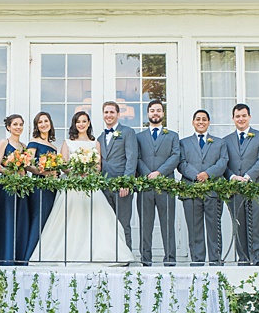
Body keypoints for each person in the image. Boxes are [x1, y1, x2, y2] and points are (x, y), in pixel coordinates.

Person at [30, 111, 132, 263]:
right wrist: (76, 171)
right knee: (70, 220)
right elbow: (63, 165)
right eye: (78, 122)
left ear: (89, 123)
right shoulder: (67, 142)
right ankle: (66, 254)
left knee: (95, 219)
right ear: (74, 124)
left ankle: (98, 253)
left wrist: (88, 171)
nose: (81, 124)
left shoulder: (95, 143)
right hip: (72, 186)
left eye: (84, 121)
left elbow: (98, 167)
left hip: (89, 185)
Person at [179, 109, 229, 265]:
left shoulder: (219, 142)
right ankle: (197, 262)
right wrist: (196, 176)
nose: (201, 122)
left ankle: (215, 261)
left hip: (213, 190)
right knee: (194, 229)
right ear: (193, 122)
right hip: (191, 190)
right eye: (198, 119)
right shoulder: (184, 143)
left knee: (214, 227)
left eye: (204, 119)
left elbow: (223, 162)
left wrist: (207, 174)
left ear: (208, 122)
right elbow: (181, 163)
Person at [223, 104, 259, 266]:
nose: (241, 119)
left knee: (255, 227)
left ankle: (256, 261)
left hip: (255, 188)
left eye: (244, 115)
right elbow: (224, 163)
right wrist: (233, 177)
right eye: (238, 116)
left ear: (249, 117)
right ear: (233, 119)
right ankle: (242, 260)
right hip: (235, 190)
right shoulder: (226, 140)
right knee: (239, 228)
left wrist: (249, 176)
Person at [135, 99, 180, 266]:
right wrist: (148, 174)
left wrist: (159, 173)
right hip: (145, 187)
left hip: (165, 186)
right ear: (148, 114)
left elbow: (176, 156)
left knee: (168, 224)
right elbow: (136, 158)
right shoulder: (139, 137)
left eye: (158, 110)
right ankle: (145, 260)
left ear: (163, 113)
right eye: (152, 110)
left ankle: (170, 260)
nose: (155, 113)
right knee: (145, 225)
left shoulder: (172, 136)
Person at [96, 101, 137, 250]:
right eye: (106, 112)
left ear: (118, 114)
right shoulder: (100, 138)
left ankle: (125, 257)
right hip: (104, 187)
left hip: (122, 187)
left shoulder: (127, 132)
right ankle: (111, 255)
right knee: (108, 223)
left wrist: (126, 182)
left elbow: (131, 158)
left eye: (112, 112)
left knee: (123, 223)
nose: (109, 115)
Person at [0, 114, 31, 265]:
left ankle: (18, 257)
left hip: (20, 188)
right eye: (15, 124)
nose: (18, 127)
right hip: (6, 187)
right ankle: (4, 256)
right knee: (7, 220)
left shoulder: (24, 147)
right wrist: (11, 172)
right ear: (8, 127)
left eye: (20, 124)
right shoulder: (4, 142)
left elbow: (26, 168)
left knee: (19, 220)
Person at [24, 112, 58, 258]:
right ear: (37, 126)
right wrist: (43, 173)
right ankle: (30, 257)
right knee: (39, 219)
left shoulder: (53, 147)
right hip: (39, 185)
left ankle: (44, 255)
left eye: (46, 121)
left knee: (50, 221)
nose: (43, 124)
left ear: (50, 123)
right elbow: (27, 164)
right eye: (40, 122)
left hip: (52, 187)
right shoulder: (34, 142)